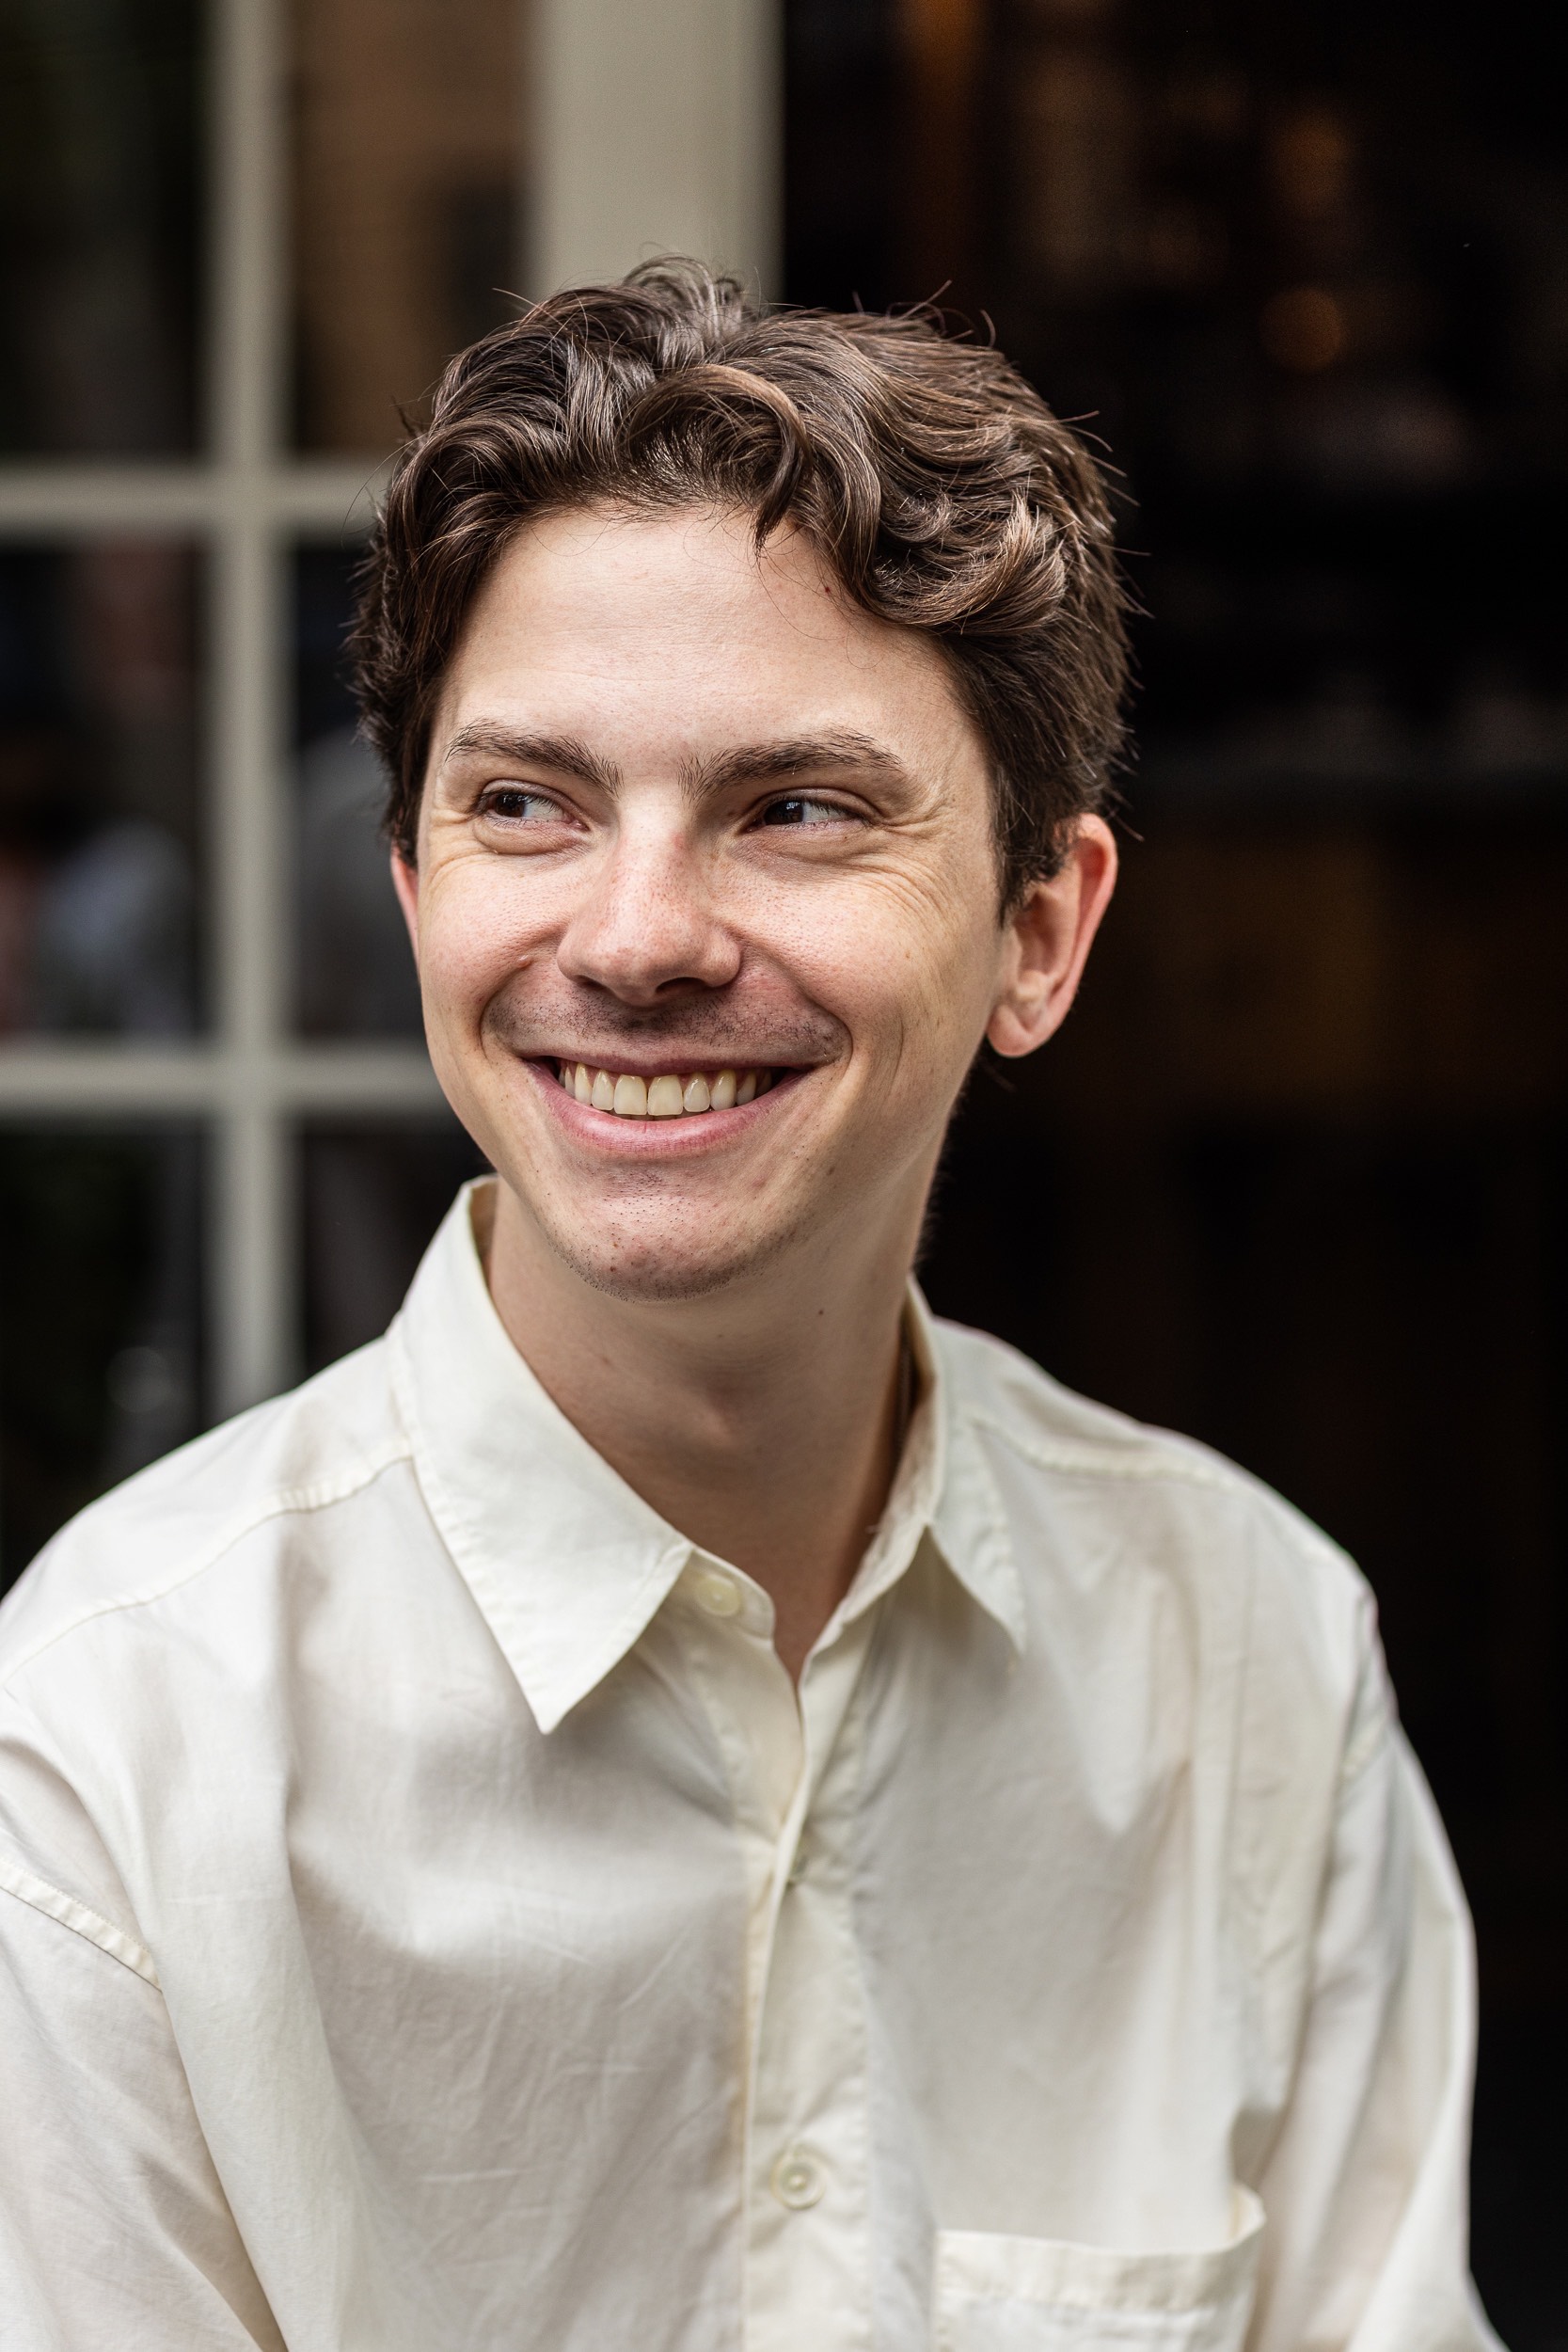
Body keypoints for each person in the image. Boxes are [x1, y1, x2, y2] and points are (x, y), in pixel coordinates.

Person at [0, 262, 1498, 2351]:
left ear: (1039, 932)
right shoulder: (109, 1748)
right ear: (419, 897)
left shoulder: (1253, 1664)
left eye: (795, 807)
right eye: (527, 804)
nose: (635, 939)